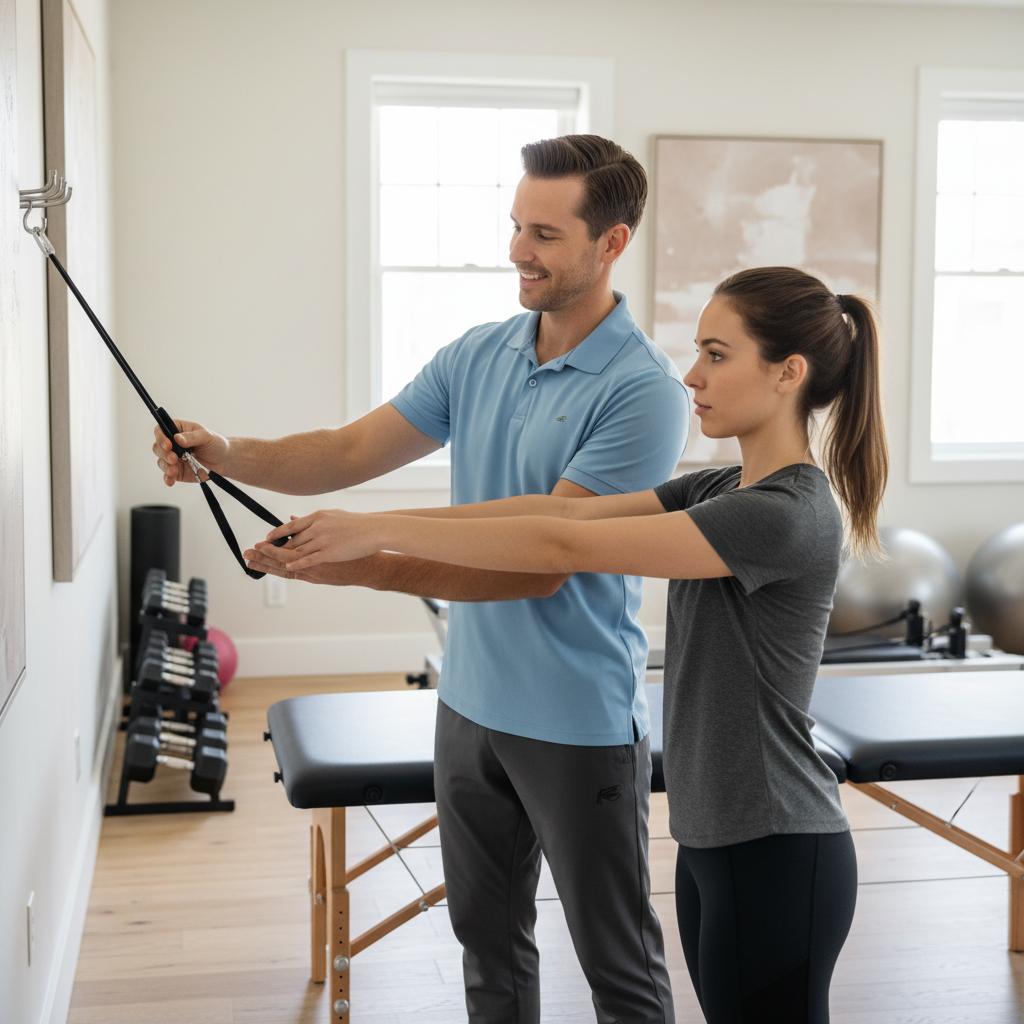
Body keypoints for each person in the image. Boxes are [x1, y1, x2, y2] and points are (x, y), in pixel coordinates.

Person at [258, 266, 889, 1024]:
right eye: (698, 351)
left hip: (777, 840)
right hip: (715, 836)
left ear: (789, 373)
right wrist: (358, 554)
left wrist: (380, 530)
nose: (693, 374)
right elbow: (552, 513)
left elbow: (560, 547)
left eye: (718, 354)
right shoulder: (721, 490)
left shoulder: (781, 515)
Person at [155, 136, 687, 1024]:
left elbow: (537, 566)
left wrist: (366, 567)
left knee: (617, 965)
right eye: (517, 225)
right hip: (471, 704)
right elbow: (349, 450)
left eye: (546, 234)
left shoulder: (643, 390)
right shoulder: (478, 353)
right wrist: (227, 453)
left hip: (578, 722)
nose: (518, 250)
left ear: (612, 243)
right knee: (486, 944)